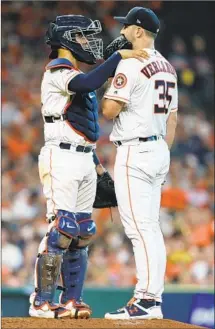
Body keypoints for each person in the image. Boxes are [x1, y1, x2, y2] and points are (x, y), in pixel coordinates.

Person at [29, 14, 149, 319]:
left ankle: (72, 301)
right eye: (82, 36)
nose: (87, 42)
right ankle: (42, 301)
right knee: (62, 229)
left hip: (83, 157)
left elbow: (82, 128)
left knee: (83, 231)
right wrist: (117, 56)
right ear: (67, 40)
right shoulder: (57, 70)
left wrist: (96, 166)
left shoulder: (74, 71)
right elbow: (88, 82)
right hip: (61, 157)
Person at [102, 7, 178, 320]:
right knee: (151, 228)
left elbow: (108, 110)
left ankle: (146, 299)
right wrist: (162, 153)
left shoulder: (131, 64)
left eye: (125, 28)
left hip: (135, 151)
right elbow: (173, 119)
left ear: (137, 31)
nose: (120, 34)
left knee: (139, 229)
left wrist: (110, 74)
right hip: (159, 148)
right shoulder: (169, 67)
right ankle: (152, 299)